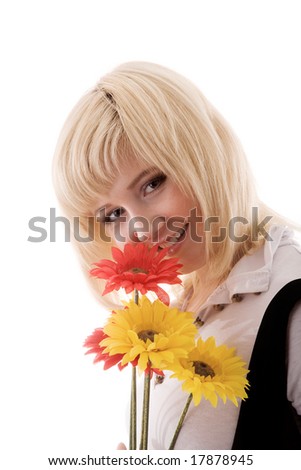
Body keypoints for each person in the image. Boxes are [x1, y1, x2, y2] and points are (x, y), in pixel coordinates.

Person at [52, 61, 301, 449]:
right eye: (113, 214)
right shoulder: (190, 303)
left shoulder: (291, 299)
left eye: (153, 183)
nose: (141, 228)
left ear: (202, 151)